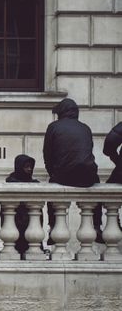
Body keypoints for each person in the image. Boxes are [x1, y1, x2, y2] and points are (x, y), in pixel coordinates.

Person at [43, 98, 102, 243]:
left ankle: (53, 227)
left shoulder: (54, 127)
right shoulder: (85, 128)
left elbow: (47, 154)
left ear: (61, 113)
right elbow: (88, 151)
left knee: (52, 192)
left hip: (64, 175)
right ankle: (97, 226)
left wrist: (53, 173)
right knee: (98, 187)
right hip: (88, 176)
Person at [3, 154, 39, 258]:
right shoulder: (11, 181)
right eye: (26, 166)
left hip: (30, 222)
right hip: (16, 222)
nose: (29, 169)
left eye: (31, 167)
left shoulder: (34, 183)